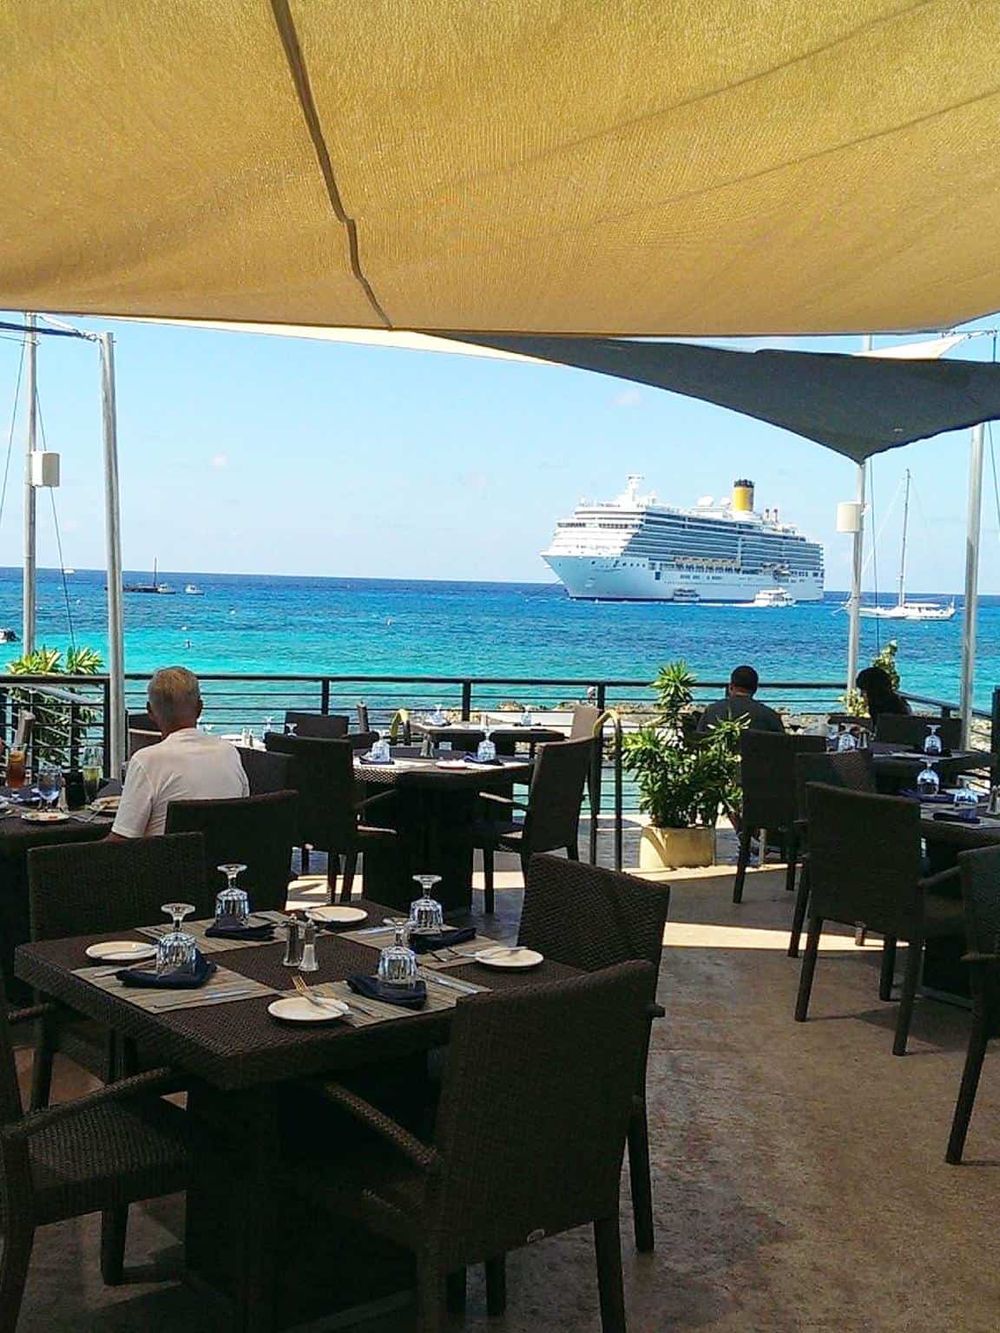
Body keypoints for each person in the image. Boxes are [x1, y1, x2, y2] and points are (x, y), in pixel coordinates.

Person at [110, 666, 248, 838]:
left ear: (150, 712)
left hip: (165, 863)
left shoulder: (147, 761)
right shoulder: (229, 753)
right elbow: (243, 814)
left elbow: (121, 840)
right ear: (199, 708)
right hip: (227, 862)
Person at [696, 664, 785, 734]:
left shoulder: (712, 711)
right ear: (755, 688)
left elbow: (699, 740)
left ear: (731, 687)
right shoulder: (770, 716)